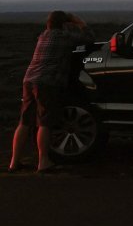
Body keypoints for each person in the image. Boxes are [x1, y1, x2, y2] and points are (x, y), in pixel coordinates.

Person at [8, 11, 94, 173]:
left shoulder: (42, 36)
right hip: (47, 82)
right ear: (64, 23)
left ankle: (14, 162)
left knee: (24, 121)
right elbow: (89, 39)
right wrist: (79, 22)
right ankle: (43, 161)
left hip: (29, 79)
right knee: (45, 122)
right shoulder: (65, 37)